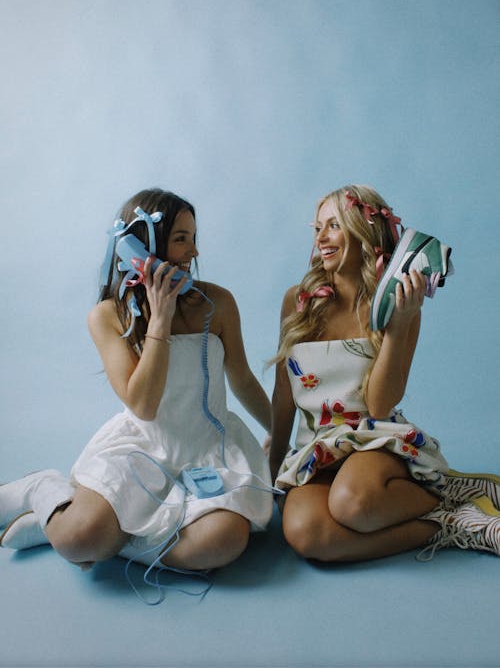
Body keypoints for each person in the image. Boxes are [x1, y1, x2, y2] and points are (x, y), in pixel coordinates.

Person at [0, 188, 273, 575]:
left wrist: (284, 435)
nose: (194, 253)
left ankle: (111, 543)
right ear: (142, 247)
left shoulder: (219, 304)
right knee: (78, 539)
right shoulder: (107, 316)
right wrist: (160, 319)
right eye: (181, 240)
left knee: (224, 541)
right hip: (143, 450)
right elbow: (142, 404)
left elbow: (242, 378)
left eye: (194, 239)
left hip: (211, 449)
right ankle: (43, 491)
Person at [269, 184, 500, 562]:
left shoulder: (399, 303)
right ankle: (446, 524)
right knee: (306, 535)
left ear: (364, 231)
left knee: (353, 504)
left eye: (333, 226)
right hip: (316, 449)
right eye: (317, 228)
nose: (321, 238)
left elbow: (379, 405)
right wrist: (272, 468)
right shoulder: (298, 302)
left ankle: (446, 492)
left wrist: (398, 326)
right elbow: (283, 393)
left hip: (374, 440)